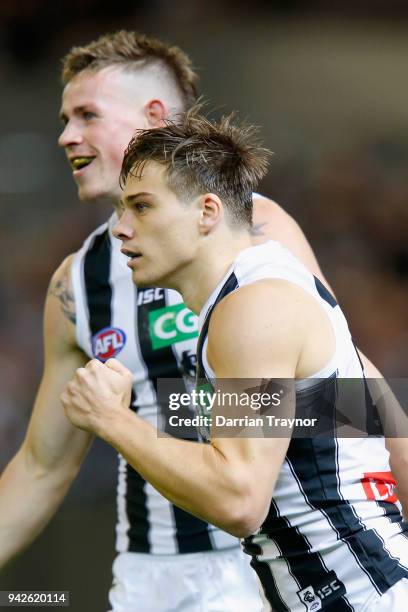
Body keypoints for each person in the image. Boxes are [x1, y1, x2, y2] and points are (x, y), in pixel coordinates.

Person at [0, 31, 337, 611]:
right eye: (63, 117)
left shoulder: (255, 227)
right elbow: (43, 465)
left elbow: (344, 393)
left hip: (266, 562)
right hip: (149, 575)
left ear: (152, 117)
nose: (65, 135)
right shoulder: (76, 283)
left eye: (86, 114)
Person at [61, 110, 408, 611]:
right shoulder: (257, 293)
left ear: (207, 211)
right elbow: (370, 415)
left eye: (141, 207)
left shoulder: (253, 308)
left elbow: (240, 500)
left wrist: (111, 418)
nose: (121, 229)